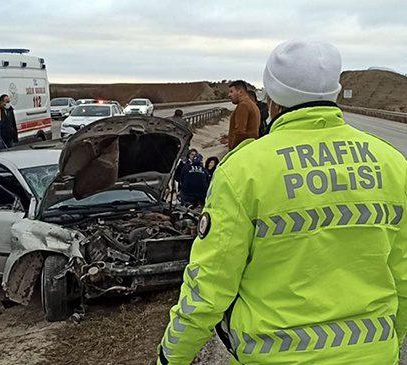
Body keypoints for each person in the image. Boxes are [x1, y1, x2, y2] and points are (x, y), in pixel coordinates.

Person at [158, 40, 406, 365]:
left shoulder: (243, 170)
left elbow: (209, 286)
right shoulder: (392, 163)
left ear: (271, 99)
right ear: (334, 92)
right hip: (372, 355)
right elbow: (403, 274)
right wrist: (390, 338)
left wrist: (170, 356)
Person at [222, 80, 260, 150]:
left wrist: (232, 150)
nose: (229, 95)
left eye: (231, 92)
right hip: (250, 147)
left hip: (242, 150)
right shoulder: (252, 104)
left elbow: (240, 132)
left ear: (240, 92)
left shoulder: (243, 106)